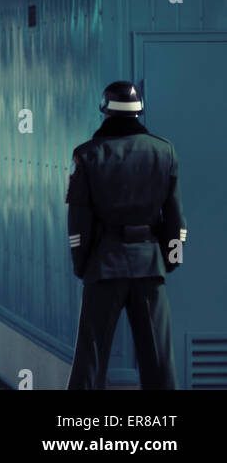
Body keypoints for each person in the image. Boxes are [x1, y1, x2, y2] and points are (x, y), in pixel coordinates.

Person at [66, 80, 184, 390]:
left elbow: (79, 221)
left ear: (104, 112)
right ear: (139, 111)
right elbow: (175, 218)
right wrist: (170, 261)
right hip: (150, 265)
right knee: (158, 357)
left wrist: (82, 264)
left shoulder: (88, 155)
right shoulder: (164, 152)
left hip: (104, 264)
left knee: (92, 354)